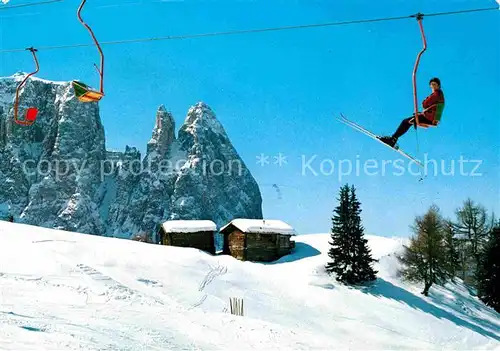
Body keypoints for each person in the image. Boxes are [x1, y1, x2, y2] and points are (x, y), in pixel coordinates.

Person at [379, 77, 445, 147]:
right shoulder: (439, 94)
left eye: (435, 84)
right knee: (407, 122)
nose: (433, 86)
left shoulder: (436, 94)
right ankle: (394, 138)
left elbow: (424, 104)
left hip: (429, 118)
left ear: (438, 85)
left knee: (405, 121)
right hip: (431, 118)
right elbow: (432, 108)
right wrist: (422, 113)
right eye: (432, 84)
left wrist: (426, 102)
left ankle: (393, 139)